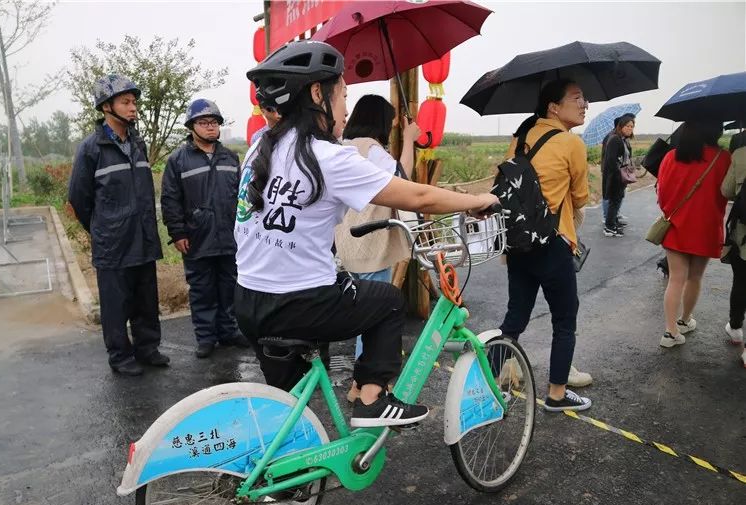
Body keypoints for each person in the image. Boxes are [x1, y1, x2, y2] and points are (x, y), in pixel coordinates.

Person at [236, 40, 499, 427]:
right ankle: (373, 399)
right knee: (389, 301)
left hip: (248, 300)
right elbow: (418, 195)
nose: (345, 107)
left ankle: (280, 480)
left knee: (290, 410)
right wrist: (474, 200)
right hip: (299, 302)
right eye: (343, 94)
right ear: (316, 94)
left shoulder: (260, 145)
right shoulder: (329, 156)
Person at [498, 79, 592, 412]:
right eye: (577, 98)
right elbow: (582, 196)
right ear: (554, 106)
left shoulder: (521, 137)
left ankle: (491, 387)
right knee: (564, 320)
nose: (584, 104)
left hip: (519, 243)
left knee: (515, 317)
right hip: (553, 243)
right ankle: (556, 393)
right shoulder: (570, 143)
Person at [68, 74, 169, 376]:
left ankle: (147, 348)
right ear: (106, 107)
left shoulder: (137, 142)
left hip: (143, 239)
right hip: (113, 243)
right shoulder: (92, 149)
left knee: (145, 299)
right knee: (115, 305)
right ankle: (120, 356)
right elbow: (79, 198)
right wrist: (102, 228)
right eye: (125, 102)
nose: (133, 107)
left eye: (134, 102)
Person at [333, 94, 419, 401]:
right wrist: (409, 140)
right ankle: (363, 386)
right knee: (373, 316)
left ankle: (361, 384)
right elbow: (403, 182)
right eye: (391, 120)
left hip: (347, 242)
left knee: (362, 310)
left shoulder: (343, 146)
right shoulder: (371, 149)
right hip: (370, 245)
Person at [162, 99, 250, 359]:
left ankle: (228, 331)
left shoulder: (230, 157)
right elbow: (170, 199)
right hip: (197, 237)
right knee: (202, 290)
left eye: (214, 123)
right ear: (192, 127)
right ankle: (205, 337)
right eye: (204, 123)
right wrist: (177, 233)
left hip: (228, 236)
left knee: (229, 287)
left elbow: (240, 196)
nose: (210, 127)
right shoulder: (178, 160)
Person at [656, 121, 731, 348]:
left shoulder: (671, 156)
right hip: (706, 228)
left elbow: (661, 192)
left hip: (676, 225)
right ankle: (685, 320)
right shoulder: (723, 157)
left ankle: (670, 332)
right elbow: (726, 193)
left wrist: (672, 212)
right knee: (694, 278)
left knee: (675, 279)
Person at [720, 142, 746, 367]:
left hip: (744, 237)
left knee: (741, 281)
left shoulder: (740, 154)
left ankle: (736, 328)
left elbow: (726, 190)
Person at [601, 114, 635, 236]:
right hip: (616, 177)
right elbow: (610, 161)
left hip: (619, 176)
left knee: (616, 201)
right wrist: (619, 176)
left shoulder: (622, 139)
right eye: (627, 126)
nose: (630, 128)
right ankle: (609, 227)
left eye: (632, 126)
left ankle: (613, 223)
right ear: (620, 126)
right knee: (614, 202)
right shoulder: (615, 139)